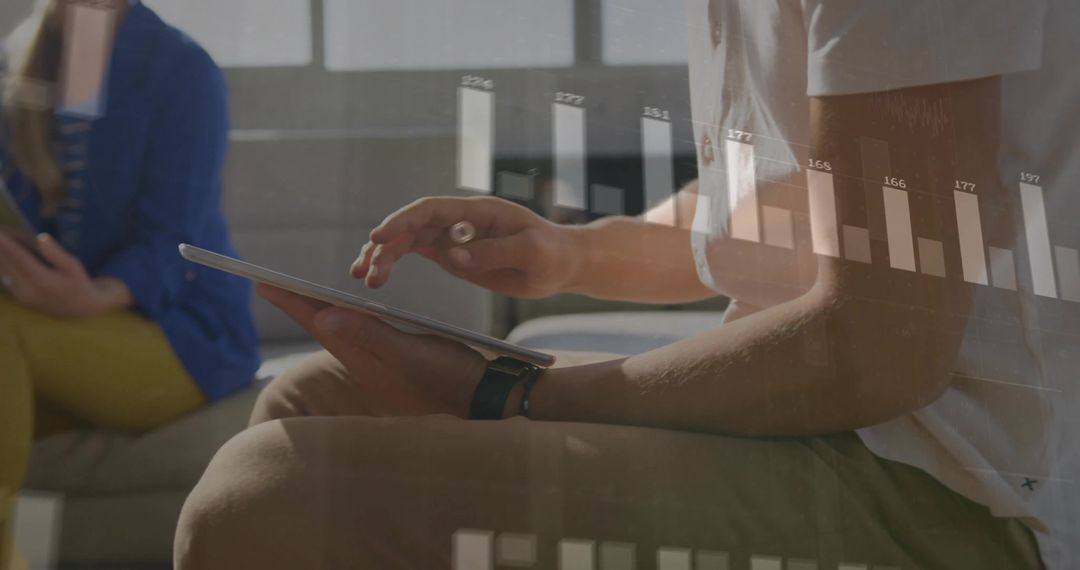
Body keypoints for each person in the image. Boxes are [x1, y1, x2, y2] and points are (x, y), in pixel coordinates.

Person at [175, 0, 1077, 568]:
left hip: (959, 492)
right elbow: (795, 210)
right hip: (829, 420)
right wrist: (568, 254)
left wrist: (512, 393)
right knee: (316, 392)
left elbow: (882, 348)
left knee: (266, 494)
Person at [0, 1, 259, 567]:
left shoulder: (181, 67)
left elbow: (173, 237)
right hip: (53, 323)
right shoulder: (21, 61)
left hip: (181, 334)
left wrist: (92, 296)